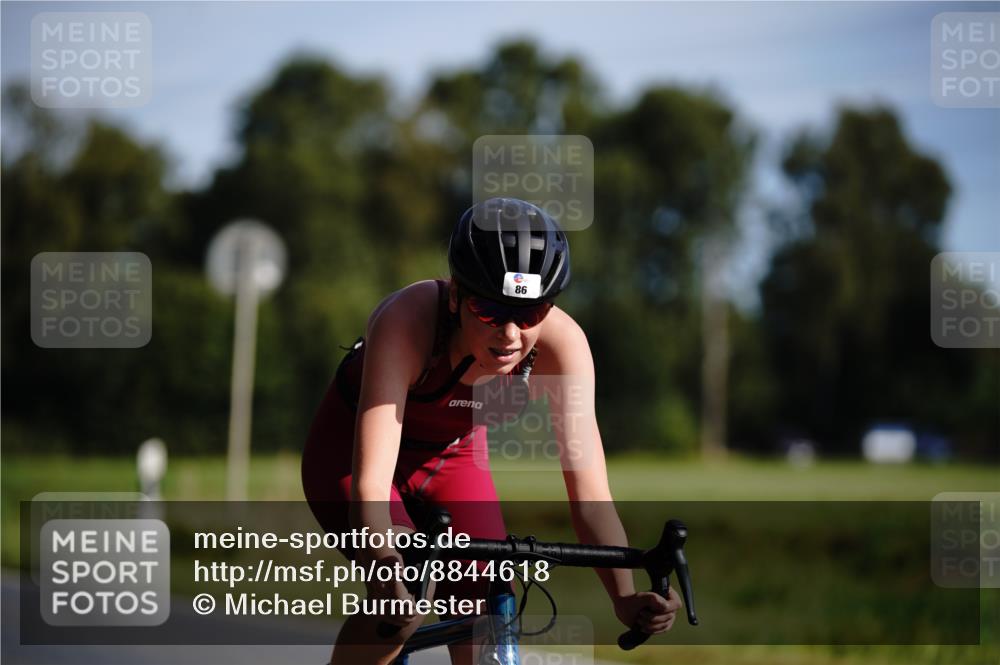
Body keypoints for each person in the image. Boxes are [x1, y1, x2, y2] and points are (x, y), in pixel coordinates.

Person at [302, 197, 681, 665]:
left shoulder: (565, 348)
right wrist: (384, 559)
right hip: (352, 456)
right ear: (457, 295)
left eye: (530, 314)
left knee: (486, 595)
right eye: (490, 310)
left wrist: (624, 596)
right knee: (405, 601)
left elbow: (589, 497)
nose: (509, 334)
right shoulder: (409, 321)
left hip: (453, 457)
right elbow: (371, 484)